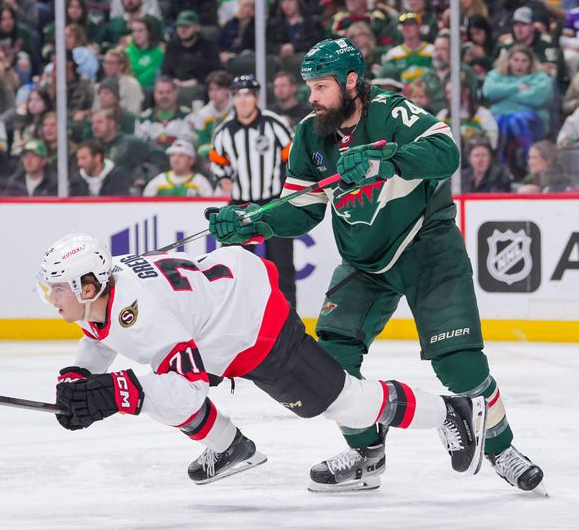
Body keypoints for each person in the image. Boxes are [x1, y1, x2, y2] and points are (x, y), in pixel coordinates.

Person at [207, 38, 546, 495]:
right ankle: (368, 453)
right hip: (364, 263)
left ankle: (502, 449)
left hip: (428, 248)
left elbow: (448, 155)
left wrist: (389, 161)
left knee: (460, 365)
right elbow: (303, 208)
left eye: (321, 86)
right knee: (331, 360)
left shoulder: (392, 113)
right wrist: (251, 223)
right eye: (309, 86)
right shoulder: (311, 134)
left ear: (351, 82)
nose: (312, 96)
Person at [43, 233, 488, 486]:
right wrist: (79, 375)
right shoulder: (102, 290)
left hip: (253, 323)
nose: (52, 297)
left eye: (58, 288)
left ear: (86, 286)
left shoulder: (139, 314)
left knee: (341, 403)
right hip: (218, 317)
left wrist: (117, 391)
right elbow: (102, 333)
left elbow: (185, 391)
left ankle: (454, 410)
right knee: (150, 389)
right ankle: (229, 447)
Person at [209, 75, 297, 309]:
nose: (243, 100)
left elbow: (292, 154)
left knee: (282, 266)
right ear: (233, 98)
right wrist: (223, 177)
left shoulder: (274, 123)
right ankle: (232, 317)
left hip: (272, 204)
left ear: (256, 97)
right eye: (238, 95)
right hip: (239, 207)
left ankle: (289, 318)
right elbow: (217, 161)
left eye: (248, 95)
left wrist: (287, 179)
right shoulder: (224, 131)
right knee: (232, 267)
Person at [482, 45, 552, 167]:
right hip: (501, 118)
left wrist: (503, 96)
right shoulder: (496, 75)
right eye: (516, 60)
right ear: (508, 61)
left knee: (517, 120)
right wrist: (516, 88)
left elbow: (538, 98)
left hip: (532, 121)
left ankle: (529, 163)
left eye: (524, 61)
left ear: (530, 63)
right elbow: (488, 91)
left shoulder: (540, 77)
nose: (519, 65)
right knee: (498, 122)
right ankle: (499, 167)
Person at [161, 11, 222, 89]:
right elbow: (165, 70)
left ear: (197, 27)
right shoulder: (172, 46)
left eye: (187, 26)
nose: (182, 30)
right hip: (174, 87)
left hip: (201, 86)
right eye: (179, 26)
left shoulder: (208, 46)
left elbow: (216, 71)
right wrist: (172, 81)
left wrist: (197, 81)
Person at [135, 77, 194, 148]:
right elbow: (139, 146)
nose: (164, 96)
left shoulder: (188, 116)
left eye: (168, 92)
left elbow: (191, 144)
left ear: (176, 94)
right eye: (160, 92)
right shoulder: (143, 118)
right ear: (154, 94)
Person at [186, 70, 233, 157]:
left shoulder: (237, 110)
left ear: (227, 90)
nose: (213, 93)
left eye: (218, 89)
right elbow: (201, 142)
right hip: (211, 154)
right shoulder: (203, 114)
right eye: (211, 90)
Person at [143, 139, 213, 196]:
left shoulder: (199, 181)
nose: (175, 160)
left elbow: (210, 206)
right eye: (172, 155)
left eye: (181, 156)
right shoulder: (159, 180)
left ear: (191, 160)